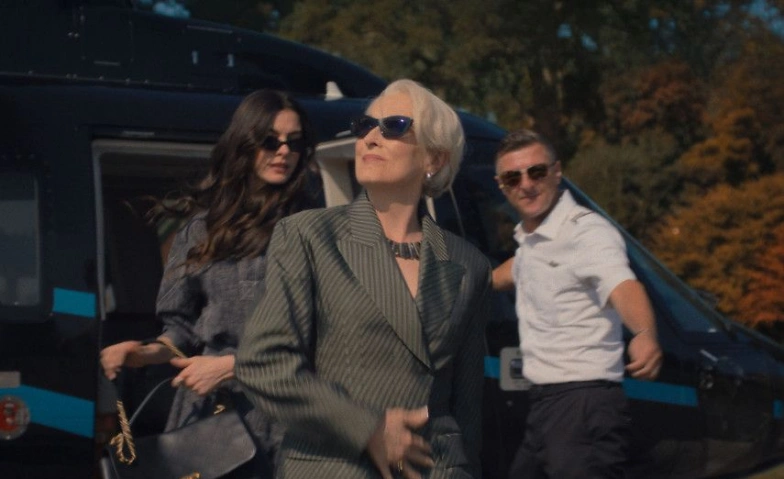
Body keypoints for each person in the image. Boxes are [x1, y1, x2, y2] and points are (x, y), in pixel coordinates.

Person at [235, 79, 492, 479]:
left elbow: (468, 408)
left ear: (434, 158)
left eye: (394, 126)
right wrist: (368, 428)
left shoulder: (469, 264)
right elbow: (261, 363)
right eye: (365, 125)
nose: (371, 137)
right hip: (336, 468)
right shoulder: (308, 236)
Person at [99, 88, 318, 478]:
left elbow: (322, 337)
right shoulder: (202, 229)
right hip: (212, 417)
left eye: (295, 142)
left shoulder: (315, 228)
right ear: (245, 144)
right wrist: (144, 353)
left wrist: (232, 367)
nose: (284, 151)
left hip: (288, 415)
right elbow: (181, 329)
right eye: (271, 141)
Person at [491, 129, 663, 479]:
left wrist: (644, 332)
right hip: (546, 406)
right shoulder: (532, 242)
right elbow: (514, 269)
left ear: (557, 172)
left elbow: (622, 284)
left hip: (584, 403)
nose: (526, 184)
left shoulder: (587, 232)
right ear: (502, 186)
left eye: (536, 172)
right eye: (513, 177)